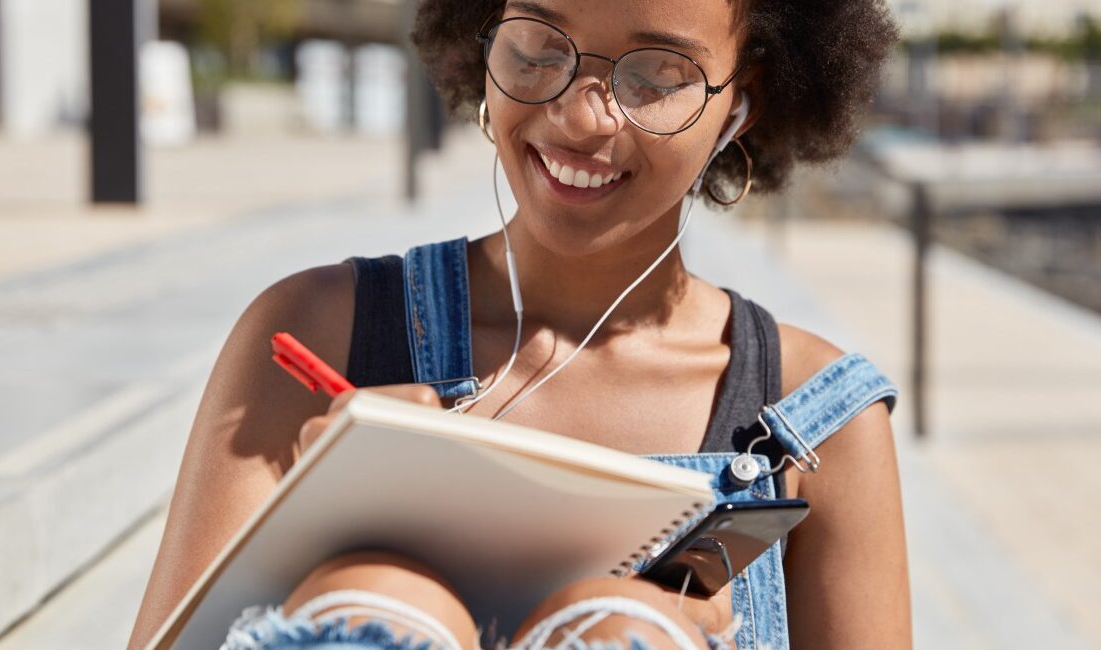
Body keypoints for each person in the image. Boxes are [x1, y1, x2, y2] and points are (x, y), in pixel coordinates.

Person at [128, 0, 909, 648]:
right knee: (376, 596)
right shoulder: (316, 333)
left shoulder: (819, 422)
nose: (579, 117)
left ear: (744, 102)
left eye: (656, 76)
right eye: (539, 46)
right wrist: (329, 549)